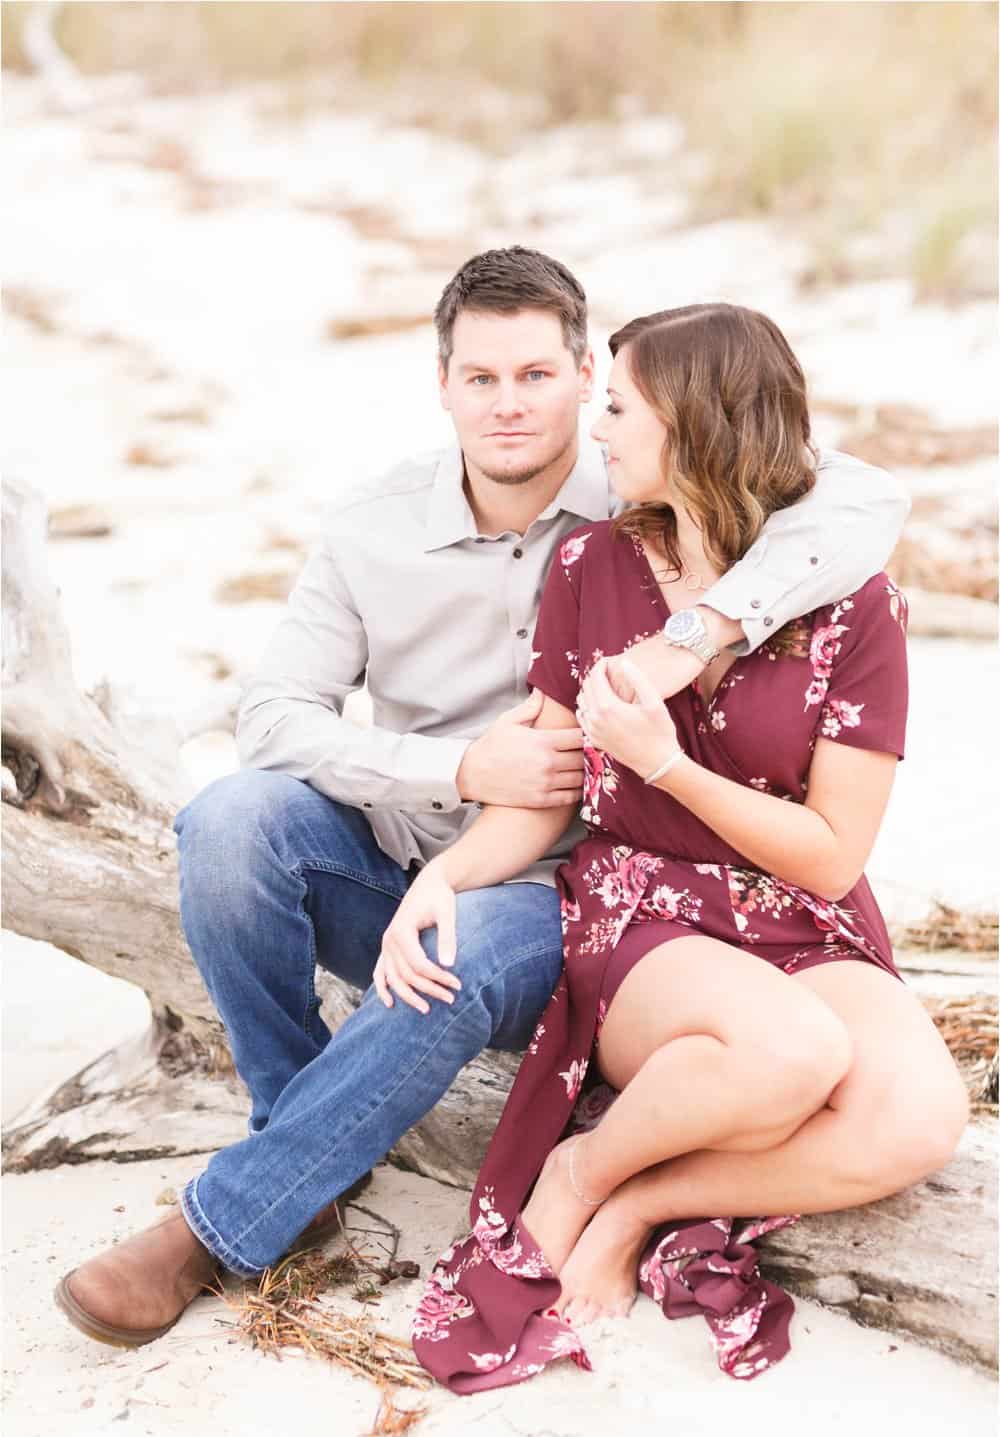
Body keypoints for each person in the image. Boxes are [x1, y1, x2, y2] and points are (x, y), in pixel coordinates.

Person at [55, 251, 914, 1350]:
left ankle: (220, 1224)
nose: (512, 404)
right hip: (424, 839)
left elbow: (859, 496)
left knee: (457, 951)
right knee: (229, 822)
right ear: (442, 381)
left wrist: (695, 634)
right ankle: (295, 1145)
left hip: (564, 888)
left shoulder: (645, 487)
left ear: (582, 374)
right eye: (480, 377)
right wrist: (455, 769)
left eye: (542, 376)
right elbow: (270, 714)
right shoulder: (374, 524)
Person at [384, 303, 969, 1393]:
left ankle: (641, 1192)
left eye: (616, 408)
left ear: (695, 426)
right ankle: (570, 1173)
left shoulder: (853, 605)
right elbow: (548, 785)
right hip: (643, 904)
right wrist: (441, 873)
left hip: (800, 906)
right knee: (791, 1052)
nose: (594, 431)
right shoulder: (590, 567)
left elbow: (833, 855)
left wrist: (667, 762)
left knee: (919, 1115)